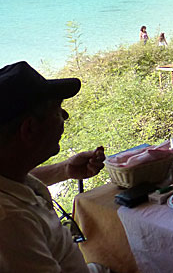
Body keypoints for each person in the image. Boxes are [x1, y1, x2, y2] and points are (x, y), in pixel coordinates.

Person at [0, 61, 107, 273]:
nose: (65, 117)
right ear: (29, 129)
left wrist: (65, 169)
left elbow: (16, 180)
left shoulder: (10, 177)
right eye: (57, 111)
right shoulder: (11, 222)